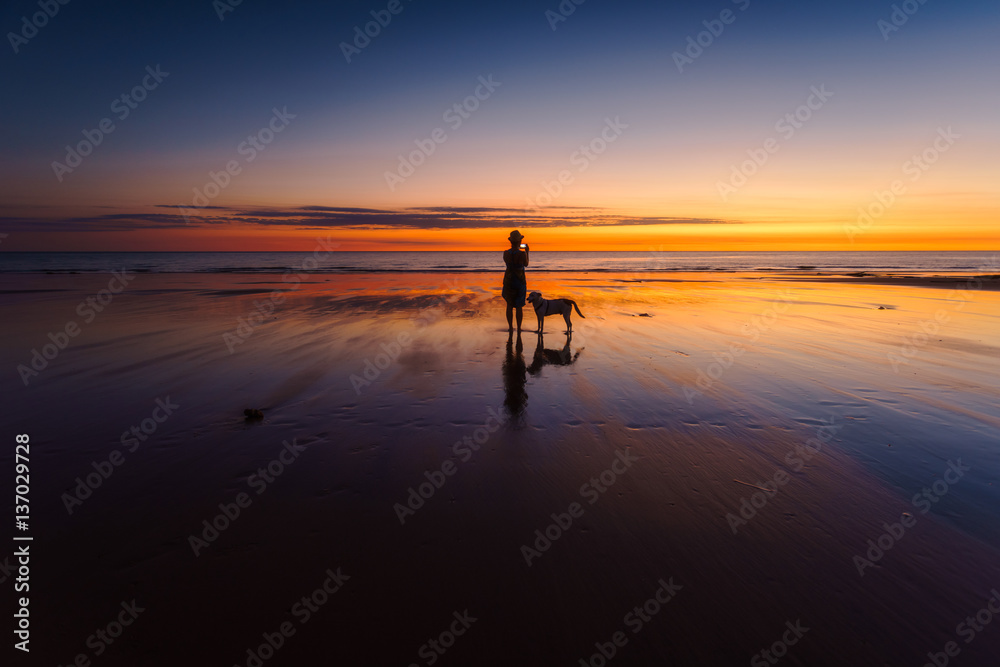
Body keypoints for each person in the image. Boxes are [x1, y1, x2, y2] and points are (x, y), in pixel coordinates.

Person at [502, 230, 529, 332]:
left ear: (511, 241)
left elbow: (508, 263)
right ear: (519, 241)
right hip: (519, 280)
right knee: (519, 306)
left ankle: (510, 327)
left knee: (509, 304)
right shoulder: (522, 254)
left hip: (509, 279)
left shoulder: (506, 253)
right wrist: (527, 252)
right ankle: (519, 327)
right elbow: (526, 264)